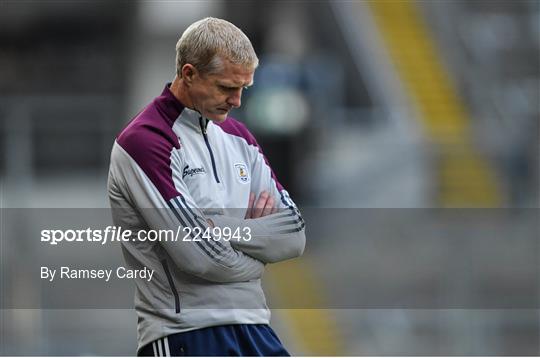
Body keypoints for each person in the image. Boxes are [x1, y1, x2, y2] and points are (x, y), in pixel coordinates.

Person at [107, 17, 306, 356]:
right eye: (227, 88)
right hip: (186, 333)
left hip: (255, 326)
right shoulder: (146, 141)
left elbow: (293, 236)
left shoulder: (240, 137)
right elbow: (199, 258)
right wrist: (258, 248)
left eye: (244, 87)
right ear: (188, 73)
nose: (238, 101)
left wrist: (220, 227)